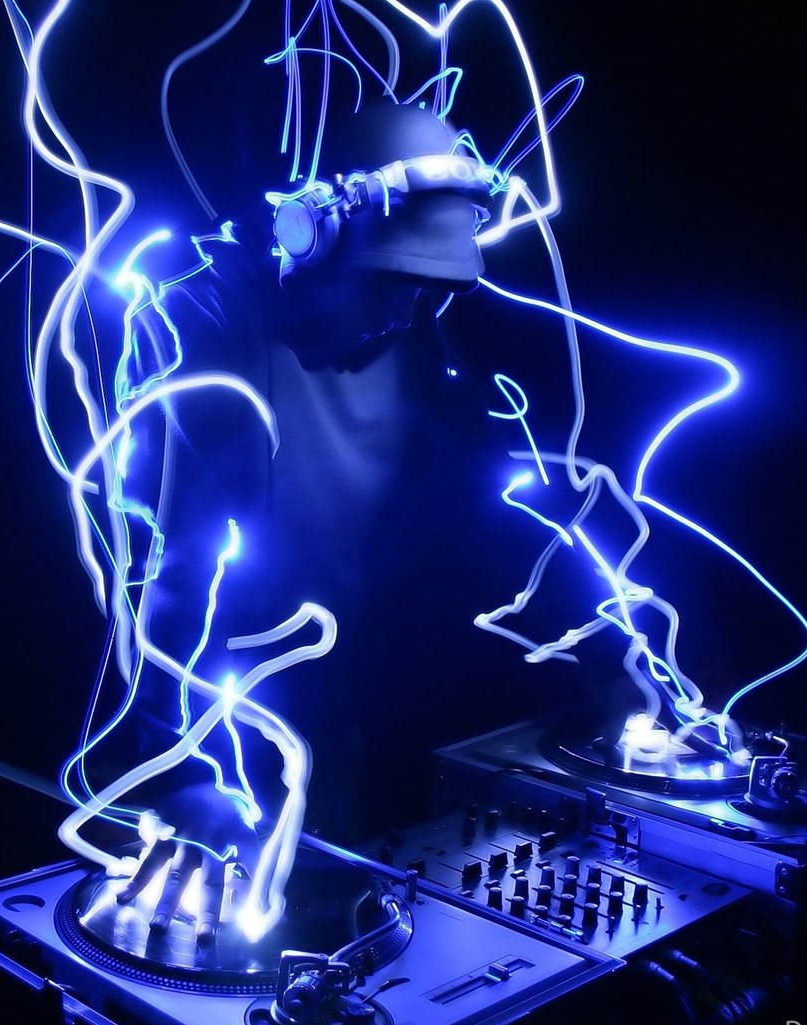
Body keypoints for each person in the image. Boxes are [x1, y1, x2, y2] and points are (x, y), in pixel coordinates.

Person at [60, 101, 499, 939]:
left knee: (335, 954)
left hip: (334, 727)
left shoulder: (425, 340)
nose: (405, 313)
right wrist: (180, 773)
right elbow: (166, 568)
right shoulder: (198, 320)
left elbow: (505, 497)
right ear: (311, 233)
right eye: (390, 282)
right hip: (195, 747)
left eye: (426, 288)